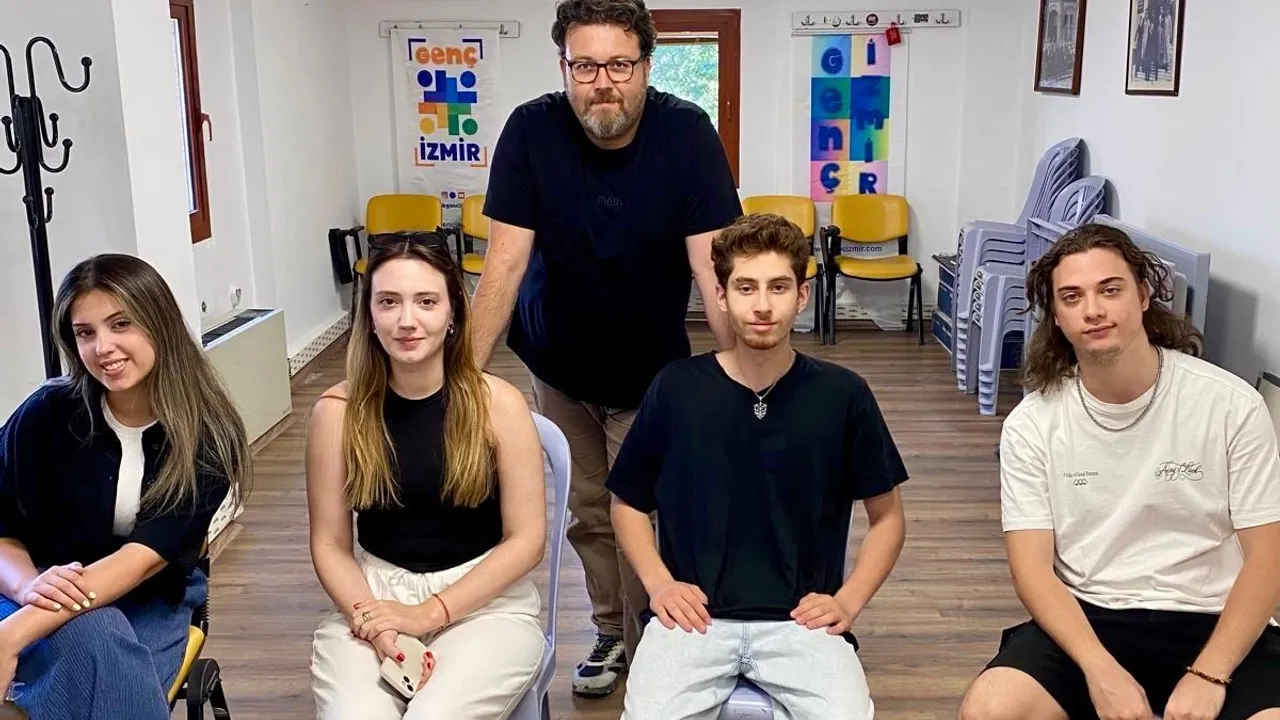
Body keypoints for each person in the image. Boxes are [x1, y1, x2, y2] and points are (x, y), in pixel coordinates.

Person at [472, 0, 743, 696]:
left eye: (619, 65)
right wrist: (460, 382)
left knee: (643, 511)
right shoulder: (531, 131)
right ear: (563, 66)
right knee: (589, 510)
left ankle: (653, 638)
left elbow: (713, 270)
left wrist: (744, 378)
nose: (603, 83)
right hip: (558, 364)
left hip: (650, 369)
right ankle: (612, 631)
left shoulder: (687, 134)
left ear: (647, 65)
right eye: (585, 66)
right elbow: (504, 264)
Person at [959, 224, 1280, 720]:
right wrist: (1100, 671)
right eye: (1072, 297)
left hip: (1214, 615)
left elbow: (1268, 556)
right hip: (1089, 617)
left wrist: (1210, 674)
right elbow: (1031, 570)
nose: (1093, 310)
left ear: (1144, 295)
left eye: (1110, 290)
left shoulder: (1230, 404)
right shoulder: (1032, 423)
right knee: (992, 707)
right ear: (1057, 316)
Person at [606, 214, 909, 719]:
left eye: (778, 287)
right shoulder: (676, 389)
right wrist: (659, 584)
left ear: (802, 295)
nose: (763, 305)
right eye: (746, 287)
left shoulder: (843, 395)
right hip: (695, 620)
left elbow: (888, 518)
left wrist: (848, 601)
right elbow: (627, 503)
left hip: (801, 623)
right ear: (721, 296)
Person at [307, 232, 547, 719]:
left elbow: (527, 541)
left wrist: (428, 613)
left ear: (454, 311)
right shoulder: (336, 413)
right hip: (373, 597)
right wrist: (373, 622)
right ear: (369, 315)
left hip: (486, 604)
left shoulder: (499, 405)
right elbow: (329, 543)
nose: (407, 320)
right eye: (388, 302)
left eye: (426, 301)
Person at [0, 254, 250, 720]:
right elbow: (3, 530)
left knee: (97, 644)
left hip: (149, 596)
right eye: (85, 332)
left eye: (121, 324)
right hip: (30, 581)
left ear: (160, 323)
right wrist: (31, 588)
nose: (103, 347)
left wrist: (12, 636)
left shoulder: (207, 434)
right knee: (102, 654)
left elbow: (141, 561)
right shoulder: (46, 413)